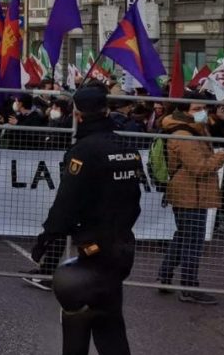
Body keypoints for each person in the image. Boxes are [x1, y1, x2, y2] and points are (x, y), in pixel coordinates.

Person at [31, 85, 143, 355]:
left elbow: (67, 201)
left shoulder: (85, 151)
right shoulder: (128, 147)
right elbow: (134, 199)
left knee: (78, 316)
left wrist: (47, 238)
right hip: (122, 244)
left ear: (78, 115)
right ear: (105, 109)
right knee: (110, 320)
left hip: (95, 246)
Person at [156, 96, 224, 305]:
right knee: (192, 242)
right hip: (190, 193)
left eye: (204, 107)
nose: (202, 111)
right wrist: (221, 157)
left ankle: (165, 276)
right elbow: (199, 167)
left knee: (184, 236)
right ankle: (189, 287)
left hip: (192, 192)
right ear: (184, 110)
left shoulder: (194, 128)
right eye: (197, 108)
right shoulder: (183, 134)